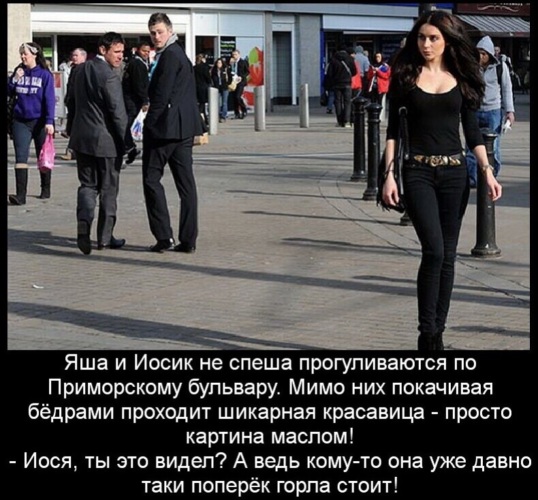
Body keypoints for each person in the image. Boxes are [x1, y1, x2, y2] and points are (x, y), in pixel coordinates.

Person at [381, 10, 502, 351]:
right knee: (433, 250)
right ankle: (426, 333)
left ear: (447, 40)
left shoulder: (461, 78)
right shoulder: (406, 76)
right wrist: (388, 176)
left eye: (434, 38)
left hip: (454, 175)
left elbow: (473, 131)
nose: (426, 44)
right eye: (422, 37)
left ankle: (437, 335)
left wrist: (487, 170)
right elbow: (392, 132)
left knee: (447, 256)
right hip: (417, 172)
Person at [143, 12, 203, 253]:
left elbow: (161, 95)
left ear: (170, 31)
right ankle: (188, 240)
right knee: (186, 185)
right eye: (152, 33)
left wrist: (148, 125)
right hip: (184, 128)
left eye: (159, 32)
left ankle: (164, 236)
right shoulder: (179, 54)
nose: (156, 36)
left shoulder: (169, 56)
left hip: (165, 129)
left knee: (151, 179)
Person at [67, 32, 128, 255]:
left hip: (82, 139)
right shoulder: (109, 76)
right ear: (103, 50)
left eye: (122, 52)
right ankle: (104, 237)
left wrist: (71, 129)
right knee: (108, 189)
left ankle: (84, 225)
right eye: (117, 52)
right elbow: (118, 113)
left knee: (87, 185)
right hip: (106, 142)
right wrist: (127, 142)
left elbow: (70, 101)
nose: (120, 56)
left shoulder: (79, 70)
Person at [8, 42, 55, 205]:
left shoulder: (44, 75)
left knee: (43, 156)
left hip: (40, 122)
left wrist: (49, 121)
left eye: (25, 53)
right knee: (21, 156)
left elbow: (49, 99)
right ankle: (20, 196)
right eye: (21, 54)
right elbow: (8, 91)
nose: (23, 56)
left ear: (35, 55)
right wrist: (14, 79)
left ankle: (45, 188)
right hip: (20, 121)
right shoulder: (18, 71)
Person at [465, 36, 515, 187]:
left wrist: (510, 111)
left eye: (484, 53)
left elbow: (507, 89)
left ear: (490, 55)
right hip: (474, 110)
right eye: (478, 53)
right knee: (471, 146)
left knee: (493, 146)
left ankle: (492, 175)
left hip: (493, 111)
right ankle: (473, 177)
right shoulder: (471, 67)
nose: (480, 56)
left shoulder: (500, 67)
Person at [122, 41, 151, 166]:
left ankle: (129, 148)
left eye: (148, 51)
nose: (146, 53)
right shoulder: (137, 64)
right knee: (125, 125)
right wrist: (145, 100)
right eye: (144, 51)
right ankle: (129, 147)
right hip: (132, 100)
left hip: (133, 99)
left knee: (126, 125)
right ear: (138, 50)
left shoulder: (139, 63)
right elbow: (138, 84)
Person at [61, 47, 87, 161]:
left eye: (76, 55)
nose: (74, 57)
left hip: (80, 103)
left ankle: (72, 151)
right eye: (73, 55)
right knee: (73, 128)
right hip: (72, 102)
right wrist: (67, 98)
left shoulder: (85, 69)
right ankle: (74, 151)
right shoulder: (74, 69)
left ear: (83, 57)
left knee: (77, 128)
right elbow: (70, 85)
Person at [324, 45, 357, 128]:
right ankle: (347, 121)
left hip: (337, 84)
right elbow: (354, 72)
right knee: (347, 102)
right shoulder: (350, 59)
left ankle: (339, 121)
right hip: (347, 83)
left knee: (338, 102)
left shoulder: (333, 60)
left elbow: (330, 74)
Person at [229, 49, 250, 119]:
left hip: (240, 81)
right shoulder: (232, 62)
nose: (234, 56)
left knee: (238, 96)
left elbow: (247, 72)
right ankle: (236, 113)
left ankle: (244, 110)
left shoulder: (243, 62)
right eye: (233, 55)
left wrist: (241, 77)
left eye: (235, 54)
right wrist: (230, 64)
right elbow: (229, 71)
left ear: (239, 55)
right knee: (234, 98)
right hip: (233, 82)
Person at [210, 57, 232, 122]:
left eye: (220, 63)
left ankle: (223, 116)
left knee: (224, 102)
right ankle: (218, 115)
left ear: (222, 63)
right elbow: (211, 78)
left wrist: (228, 83)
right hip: (217, 88)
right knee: (218, 103)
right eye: (218, 63)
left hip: (224, 87)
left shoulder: (225, 69)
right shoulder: (214, 70)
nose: (219, 64)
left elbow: (230, 77)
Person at [194, 53, 212, 126]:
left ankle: (205, 120)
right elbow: (208, 77)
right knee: (202, 104)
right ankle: (200, 119)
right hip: (203, 87)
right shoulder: (204, 67)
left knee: (201, 104)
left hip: (196, 87)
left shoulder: (194, 68)